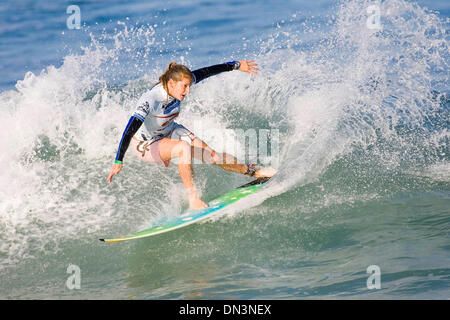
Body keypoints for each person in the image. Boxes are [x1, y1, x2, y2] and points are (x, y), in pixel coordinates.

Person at [107, 60, 276, 209]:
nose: (188, 91)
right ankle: (193, 199)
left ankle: (253, 173)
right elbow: (130, 128)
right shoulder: (150, 99)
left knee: (212, 155)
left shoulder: (180, 82)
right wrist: (119, 159)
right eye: (184, 87)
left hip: (170, 129)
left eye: (189, 86)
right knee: (183, 148)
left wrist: (236, 65)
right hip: (146, 143)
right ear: (172, 83)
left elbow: (209, 71)